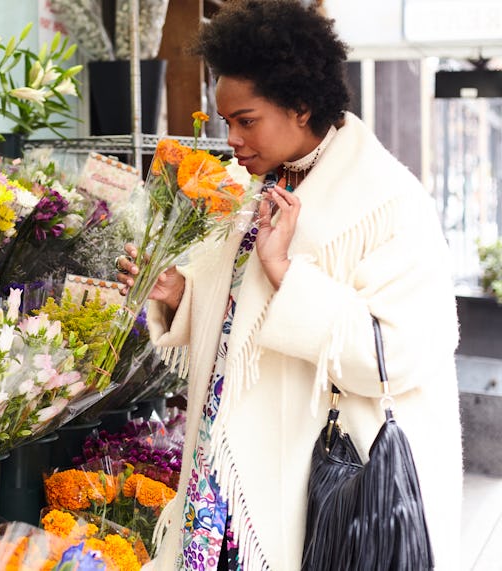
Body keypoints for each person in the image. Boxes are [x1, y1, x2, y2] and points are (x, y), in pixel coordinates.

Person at [115, 0, 462, 569]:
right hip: (228, 472)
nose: (232, 139)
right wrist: (178, 294)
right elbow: (240, 322)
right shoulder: (263, 188)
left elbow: (398, 356)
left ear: (301, 107)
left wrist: (286, 274)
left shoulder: (387, 203)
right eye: (226, 122)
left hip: (324, 491)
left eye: (245, 120)